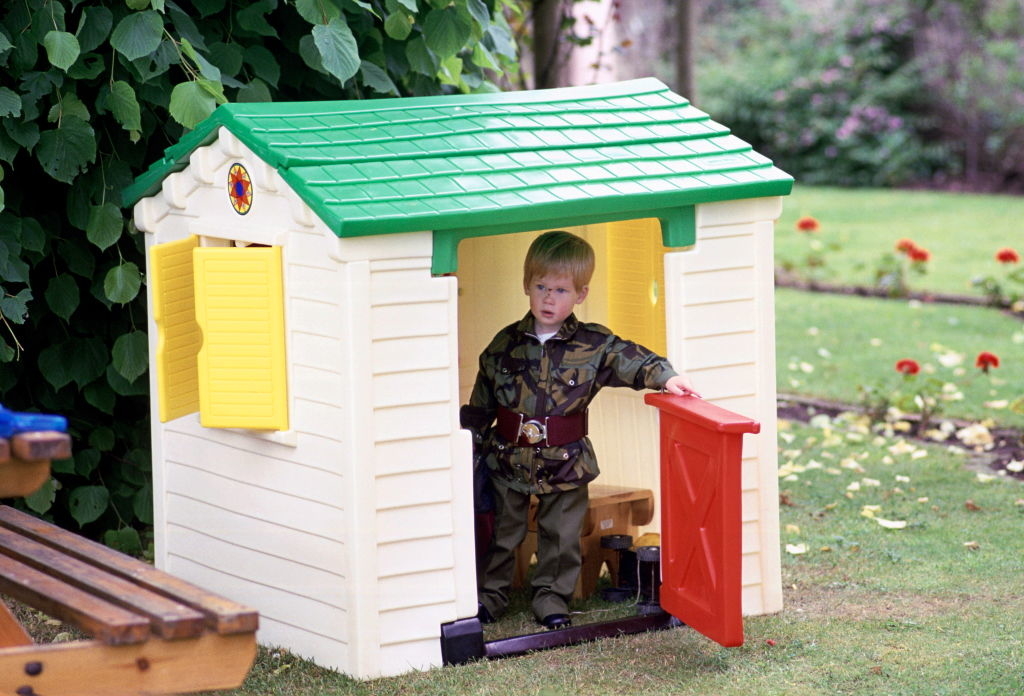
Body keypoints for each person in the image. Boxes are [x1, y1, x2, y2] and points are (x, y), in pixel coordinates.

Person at [459, 230, 698, 630]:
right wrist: (470, 446)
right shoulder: (504, 344)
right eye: (541, 287)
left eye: (561, 290)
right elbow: (481, 403)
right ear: (526, 285)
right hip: (508, 459)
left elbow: (633, 359)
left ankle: (551, 598)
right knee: (503, 533)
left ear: (580, 294)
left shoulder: (594, 344)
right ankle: (490, 596)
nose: (549, 299)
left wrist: (666, 377)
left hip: (566, 460)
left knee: (561, 536)